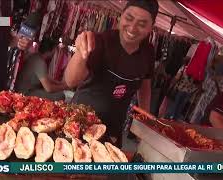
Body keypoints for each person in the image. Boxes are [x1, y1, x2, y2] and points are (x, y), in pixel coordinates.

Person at [64, 0, 159, 147]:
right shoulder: (101, 41)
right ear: (121, 16)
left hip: (113, 128)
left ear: (151, 28)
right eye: (129, 18)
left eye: (142, 24)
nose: (133, 28)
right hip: (79, 121)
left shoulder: (148, 52)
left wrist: (145, 120)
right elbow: (71, 81)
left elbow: (145, 86)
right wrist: (80, 53)